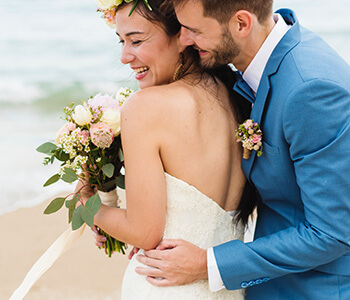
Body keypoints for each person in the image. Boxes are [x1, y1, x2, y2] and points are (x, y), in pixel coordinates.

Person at [133, 0, 350, 299]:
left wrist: (206, 264)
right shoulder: (255, 67)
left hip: (312, 289)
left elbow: (332, 233)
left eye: (193, 30)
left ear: (241, 24)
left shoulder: (311, 90)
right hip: (266, 283)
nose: (183, 40)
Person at [80, 0, 256, 299]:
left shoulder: (146, 107)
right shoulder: (236, 96)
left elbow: (143, 232)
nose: (125, 56)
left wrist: (87, 205)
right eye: (121, 41)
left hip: (165, 286)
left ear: (183, 37)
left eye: (136, 40)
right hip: (226, 286)